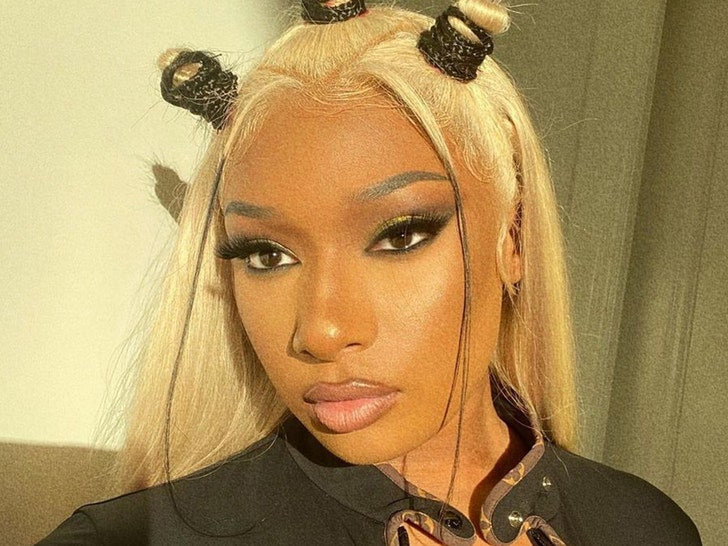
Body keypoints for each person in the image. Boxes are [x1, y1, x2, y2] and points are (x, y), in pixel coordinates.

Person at [38, 1, 701, 544]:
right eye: (267, 255)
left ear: (514, 237)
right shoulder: (131, 539)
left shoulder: (645, 528)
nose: (321, 332)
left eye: (399, 236)